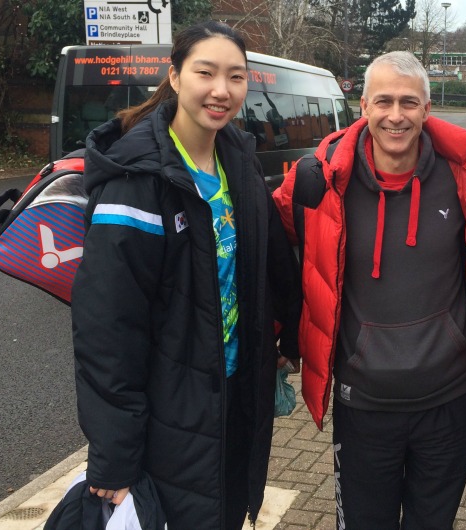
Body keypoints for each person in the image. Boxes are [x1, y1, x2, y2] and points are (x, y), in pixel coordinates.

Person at [71, 21, 301, 530]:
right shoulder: (138, 180)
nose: (221, 90)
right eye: (206, 72)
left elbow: (272, 259)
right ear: (174, 76)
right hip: (170, 413)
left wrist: (290, 334)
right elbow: (108, 328)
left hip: (235, 393)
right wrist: (114, 453)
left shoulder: (237, 158)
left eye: (236, 77)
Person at [272, 51, 466, 529]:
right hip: (363, 405)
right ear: (364, 108)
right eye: (384, 101)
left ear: (427, 109)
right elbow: (267, 253)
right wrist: (279, 335)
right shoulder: (319, 179)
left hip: (448, 400)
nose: (397, 115)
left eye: (409, 103)